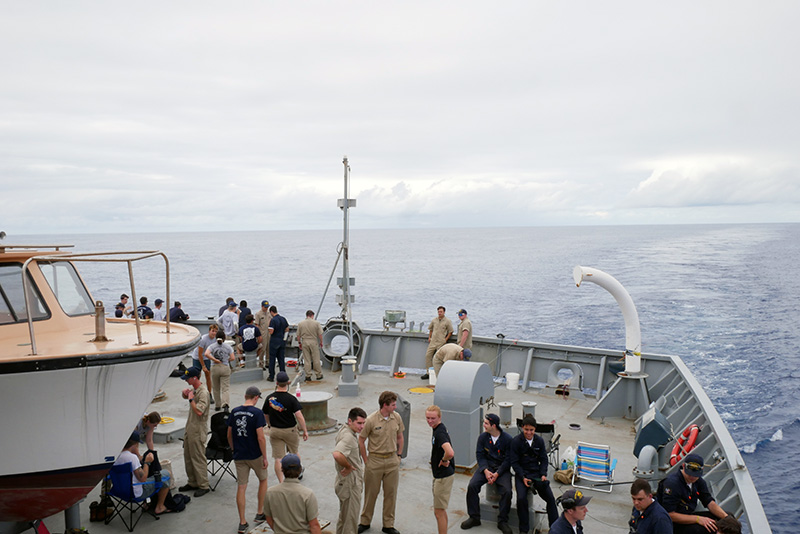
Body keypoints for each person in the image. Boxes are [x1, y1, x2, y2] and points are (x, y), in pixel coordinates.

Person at [358, 391, 405, 534]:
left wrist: (399, 456)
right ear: (385, 405)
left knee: (391, 494)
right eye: (393, 405)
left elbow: (400, 437)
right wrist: (366, 461)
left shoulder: (396, 418)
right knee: (371, 494)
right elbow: (361, 440)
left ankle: (388, 524)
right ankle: (365, 522)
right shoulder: (371, 420)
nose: (395, 407)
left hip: (392, 460)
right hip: (375, 461)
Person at [461, 413, 513, 534]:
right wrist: (485, 470)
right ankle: (474, 517)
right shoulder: (483, 438)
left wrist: (498, 473)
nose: (483, 425)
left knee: (507, 491)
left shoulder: (507, 440)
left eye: (486, 423)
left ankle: (502, 521)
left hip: (501, 469)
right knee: (472, 486)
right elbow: (480, 455)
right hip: (487, 468)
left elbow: (508, 459)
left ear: (493, 425)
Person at [228, 386, 269, 534]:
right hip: (255, 455)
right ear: (256, 397)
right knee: (263, 480)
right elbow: (260, 437)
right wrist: (264, 456)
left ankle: (242, 522)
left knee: (241, 487)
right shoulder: (257, 413)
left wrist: (233, 449)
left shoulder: (234, 411)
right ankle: (259, 512)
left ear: (245, 396)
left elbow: (229, 434)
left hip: (240, 455)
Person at [509, 415, 558, 532]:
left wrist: (543, 474)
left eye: (531, 430)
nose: (529, 432)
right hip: (522, 475)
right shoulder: (516, 442)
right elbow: (515, 463)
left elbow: (544, 459)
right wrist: (523, 477)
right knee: (521, 499)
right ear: (522, 428)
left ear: (535, 429)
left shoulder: (539, 441)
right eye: (526, 430)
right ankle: (524, 529)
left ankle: (555, 528)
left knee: (550, 498)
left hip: (537, 474)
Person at [661, 454, 729, 534]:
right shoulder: (672, 484)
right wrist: (697, 519)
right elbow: (669, 514)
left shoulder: (698, 481)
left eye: (696, 475)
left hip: (687, 515)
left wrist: (727, 518)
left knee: (726, 520)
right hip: (672, 524)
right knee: (708, 529)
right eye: (689, 474)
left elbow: (708, 501)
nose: (692, 477)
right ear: (683, 466)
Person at [262, 371, 309, 482]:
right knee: (294, 453)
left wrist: (269, 425)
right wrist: (305, 430)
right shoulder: (291, 399)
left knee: (278, 458)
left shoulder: (269, 398)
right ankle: (297, 475)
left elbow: (265, 414)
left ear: (277, 383)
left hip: (275, 431)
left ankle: (281, 481)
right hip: (290, 431)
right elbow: (299, 416)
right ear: (288, 383)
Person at [114, 431, 171, 515]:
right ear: (134, 444)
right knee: (166, 474)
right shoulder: (131, 458)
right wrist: (147, 462)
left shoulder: (115, 456)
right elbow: (143, 479)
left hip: (119, 491)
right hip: (135, 494)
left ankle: (146, 504)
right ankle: (160, 507)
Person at [264, 454, 322, 534]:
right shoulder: (307, 494)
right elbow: (314, 525)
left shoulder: (270, 492)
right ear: (300, 470)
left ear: (282, 469)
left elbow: (269, 519)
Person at [333, 407, 367, 534]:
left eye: (364, 423)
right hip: (350, 483)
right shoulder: (348, 437)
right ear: (350, 421)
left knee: (344, 516)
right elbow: (337, 454)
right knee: (351, 519)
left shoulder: (345, 431)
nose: (362, 427)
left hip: (346, 481)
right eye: (359, 423)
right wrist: (347, 466)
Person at [179, 367, 210, 497]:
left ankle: (203, 484)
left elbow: (199, 411)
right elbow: (189, 397)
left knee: (197, 456)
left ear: (195, 378)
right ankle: (192, 481)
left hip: (198, 428)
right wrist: (185, 394)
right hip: (190, 427)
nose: (186, 380)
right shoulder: (195, 390)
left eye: (188, 378)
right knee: (188, 456)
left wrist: (191, 399)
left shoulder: (203, 393)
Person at [426, 405, 455, 534]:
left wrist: (443, 460)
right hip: (440, 475)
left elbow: (449, 452)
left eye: (433, 418)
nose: (430, 421)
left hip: (443, 477)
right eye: (428, 418)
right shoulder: (438, 428)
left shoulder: (439, 433)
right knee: (441, 511)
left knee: (439, 512)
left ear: (439, 417)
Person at [205, 330, 237, 411]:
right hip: (225, 367)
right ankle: (225, 404)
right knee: (225, 388)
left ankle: (217, 405)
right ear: (224, 338)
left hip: (215, 367)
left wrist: (214, 359)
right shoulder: (228, 347)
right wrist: (227, 359)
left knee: (216, 388)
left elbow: (206, 354)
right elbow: (233, 358)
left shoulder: (212, 346)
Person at [422, 306, 453, 380]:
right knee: (428, 356)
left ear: (444, 312)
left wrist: (445, 340)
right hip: (433, 341)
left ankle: (439, 373)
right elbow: (431, 329)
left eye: (441, 312)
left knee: (439, 358)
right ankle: (428, 372)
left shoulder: (447, 321)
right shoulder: (434, 320)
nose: (439, 313)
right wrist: (430, 337)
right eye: (438, 311)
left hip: (441, 342)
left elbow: (450, 331)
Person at [297, 309, 324, 381]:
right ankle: (318, 375)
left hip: (305, 342)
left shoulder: (301, 323)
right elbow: (320, 334)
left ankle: (308, 375)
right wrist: (321, 342)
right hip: (313, 341)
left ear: (306, 315)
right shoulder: (316, 323)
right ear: (312, 316)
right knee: (316, 359)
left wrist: (300, 343)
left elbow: (298, 336)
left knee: (307, 360)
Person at [194, 324, 218, 404]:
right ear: (209, 331)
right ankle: (196, 392)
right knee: (197, 375)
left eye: (215, 331)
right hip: (197, 357)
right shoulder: (204, 339)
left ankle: (209, 394)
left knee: (208, 375)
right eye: (212, 331)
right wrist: (203, 366)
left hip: (207, 357)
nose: (214, 333)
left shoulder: (215, 340)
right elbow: (200, 353)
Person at [267, 305, 290, 382]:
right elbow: (287, 329)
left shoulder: (273, 320)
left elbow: (271, 331)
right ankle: (283, 375)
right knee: (281, 359)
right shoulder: (283, 319)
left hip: (274, 341)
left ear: (271, 312)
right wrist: (284, 338)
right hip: (282, 341)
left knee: (272, 359)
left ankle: (271, 376)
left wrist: (268, 327)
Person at [254, 300, 272, 369]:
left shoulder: (269, 313)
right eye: (265, 307)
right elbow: (257, 325)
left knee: (268, 349)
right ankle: (261, 364)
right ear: (262, 306)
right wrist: (259, 334)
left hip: (269, 333)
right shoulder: (258, 314)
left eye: (267, 307)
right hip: (262, 333)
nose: (266, 308)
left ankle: (268, 362)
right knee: (262, 349)